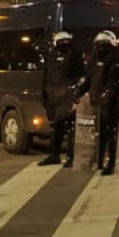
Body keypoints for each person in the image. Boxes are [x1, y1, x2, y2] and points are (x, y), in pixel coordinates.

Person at [76, 31, 119, 175]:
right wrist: (79, 92)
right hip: (95, 102)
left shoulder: (116, 59)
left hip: (109, 103)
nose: (100, 48)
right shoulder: (94, 59)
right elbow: (89, 80)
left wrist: (104, 96)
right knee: (99, 132)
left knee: (111, 133)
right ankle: (97, 159)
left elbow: (113, 82)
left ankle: (111, 163)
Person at [39, 31, 86, 168]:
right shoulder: (51, 54)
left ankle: (70, 157)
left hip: (66, 95)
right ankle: (54, 155)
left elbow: (80, 74)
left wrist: (75, 94)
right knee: (56, 127)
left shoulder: (74, 54)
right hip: (53, 95)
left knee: (70, 127)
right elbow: (46, 75)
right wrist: (44, 96)